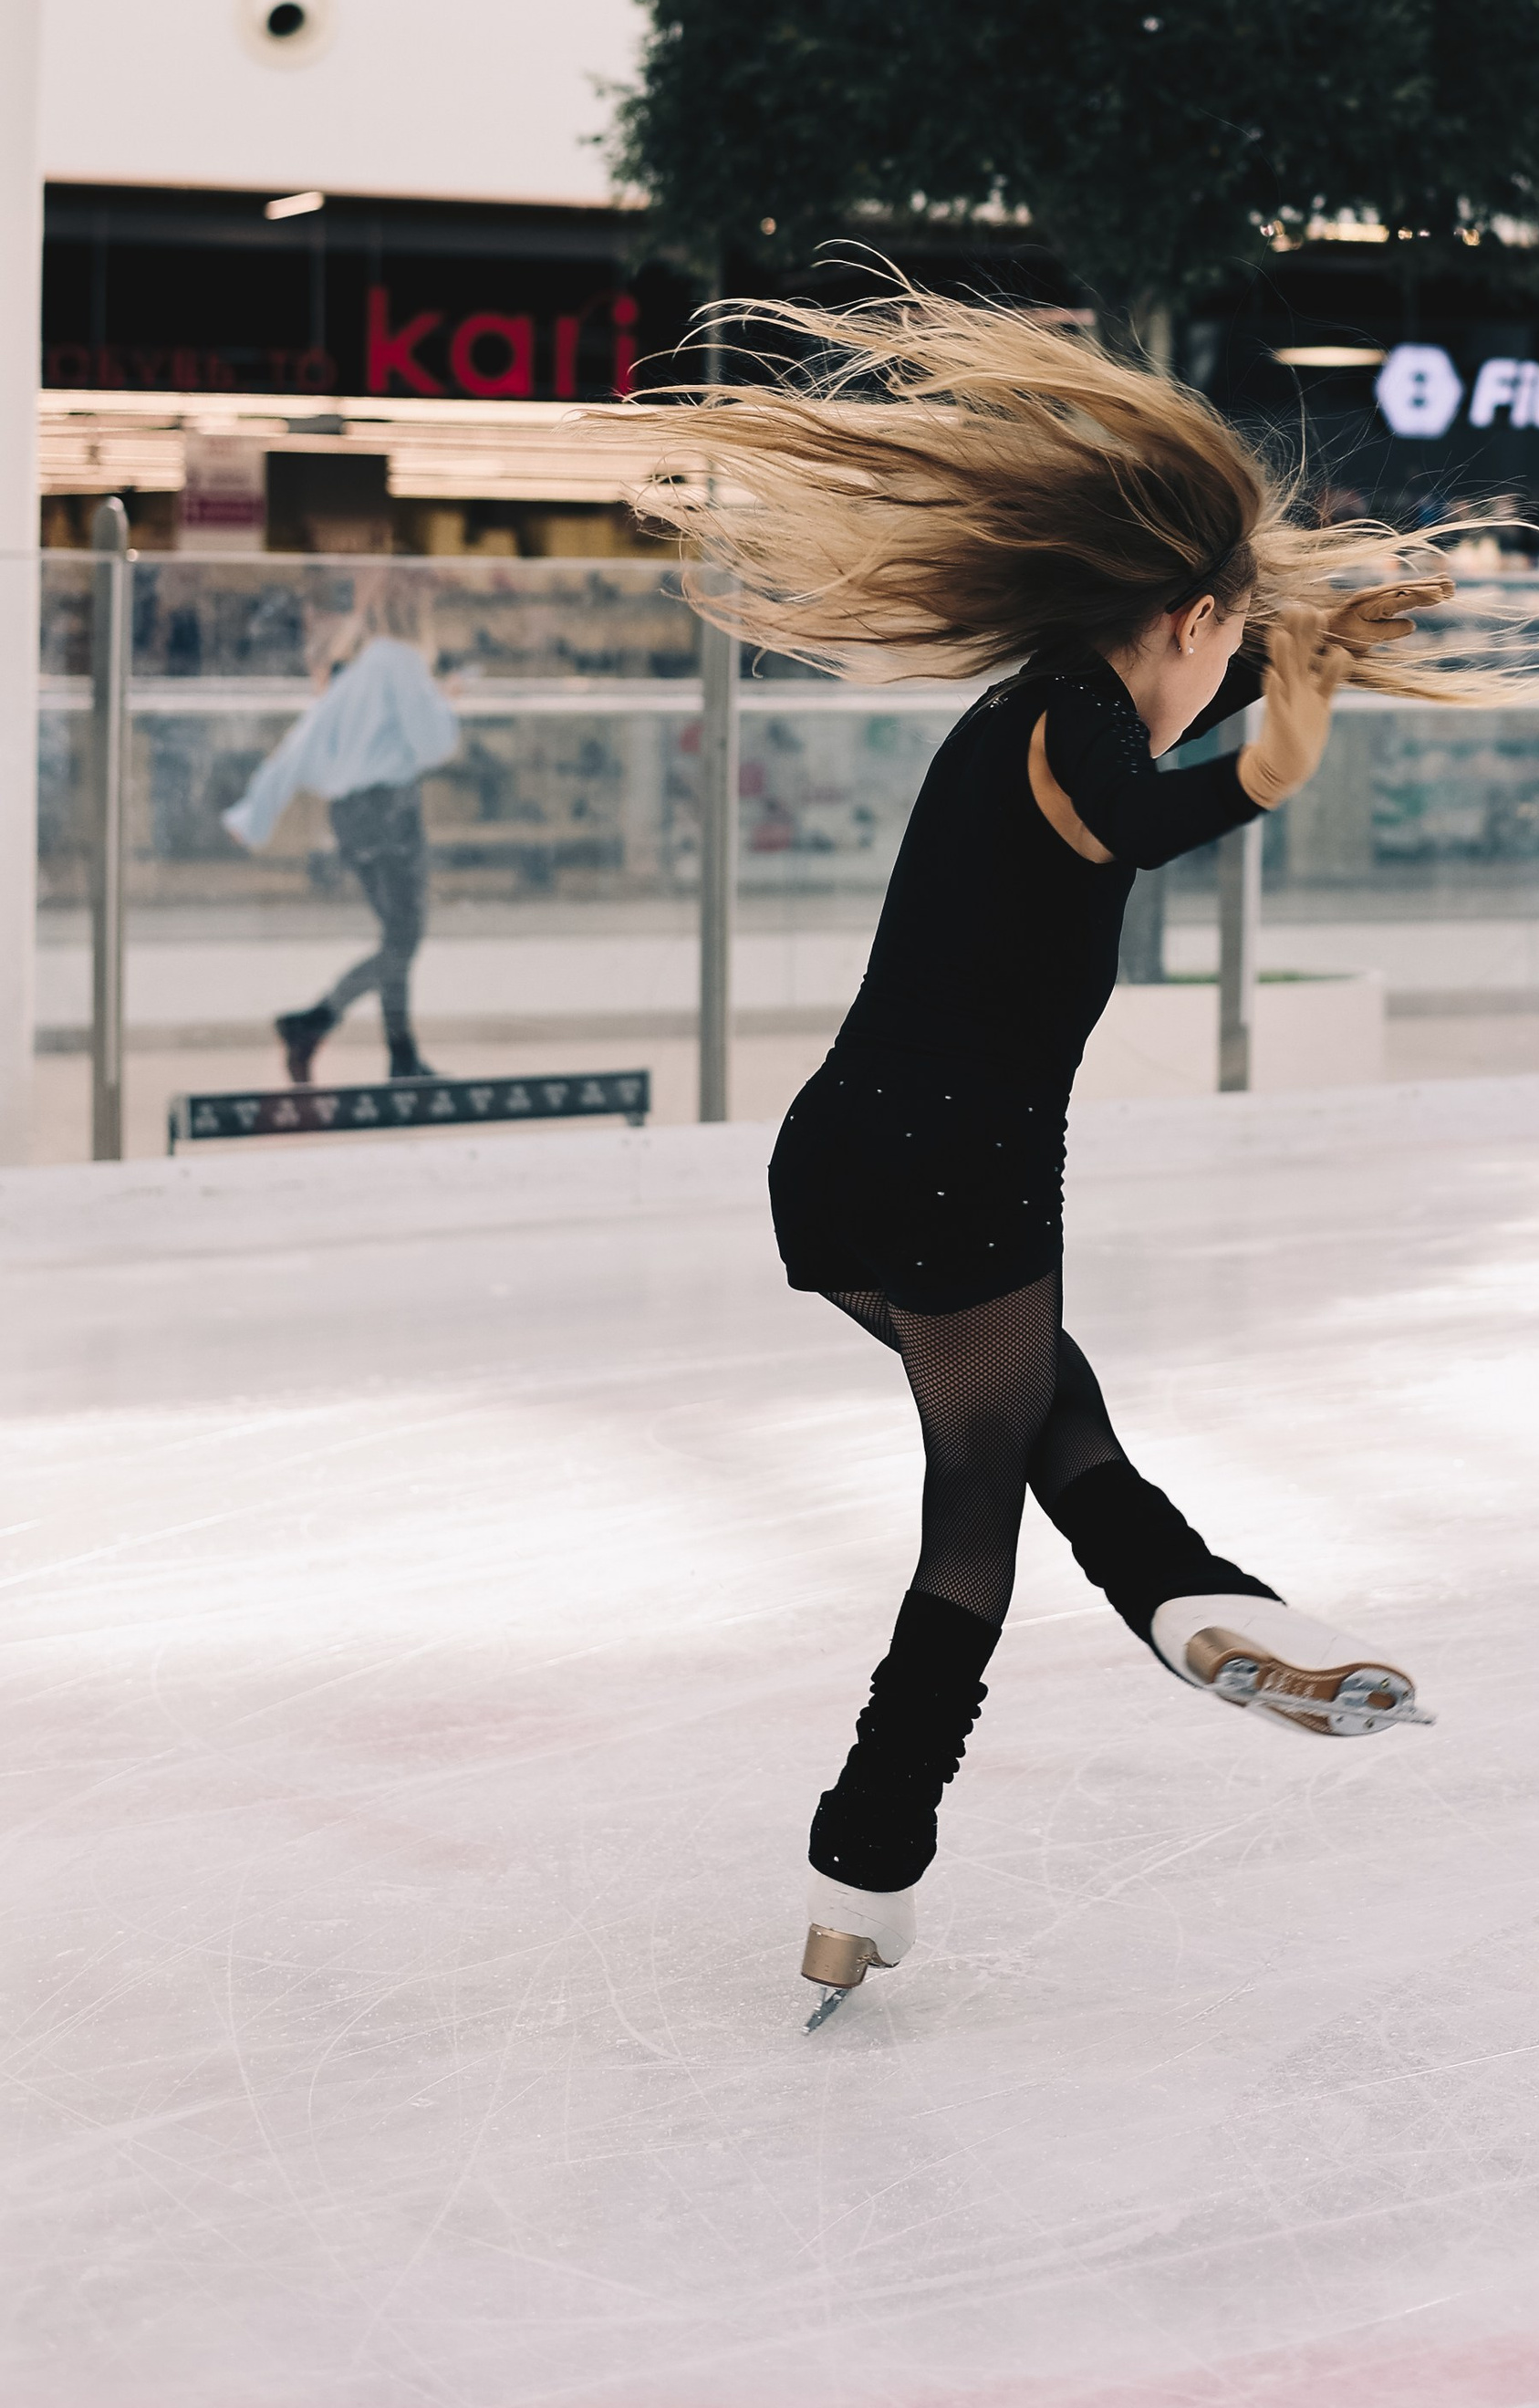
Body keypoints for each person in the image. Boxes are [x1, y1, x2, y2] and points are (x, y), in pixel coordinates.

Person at [633, 284, 1472, 2022]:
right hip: (959, 1174)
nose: (1220, 687)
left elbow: (1172, 728)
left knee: (1047, 1428)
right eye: (1222, 657)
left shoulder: (1029, 707)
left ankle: (1196, 1603)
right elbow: (1150, 813)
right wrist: (1283, 755)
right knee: (969, 1529)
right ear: (1176, 620)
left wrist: (1312, 639)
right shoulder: (1082, 718)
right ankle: (864, 1853)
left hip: (842, 1164)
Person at [224, 569, 461, 1081]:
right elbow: (434, 745)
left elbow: (301, 744)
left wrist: (255, 813)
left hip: (352, 818)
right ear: (416, 615)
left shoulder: (362, 670)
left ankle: (400, 1057)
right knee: (403, 940)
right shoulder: (402, 661)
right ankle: (316, 1020)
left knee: (397, 937)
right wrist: (446, 703)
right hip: (391, 811)